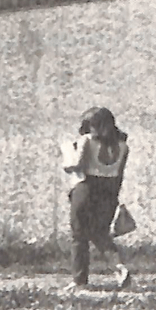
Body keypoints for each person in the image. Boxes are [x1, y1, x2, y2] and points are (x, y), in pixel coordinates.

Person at [61, 107, 130, 291]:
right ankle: (119, 267)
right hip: (109, 191)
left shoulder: (87, 141)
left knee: (79, 235)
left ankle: (79, 280)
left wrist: (67, 152)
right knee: (100, 234)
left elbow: (76, 166)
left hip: (86, 188)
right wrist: (114, 199)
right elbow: (119, 176)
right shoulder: (123, 146)